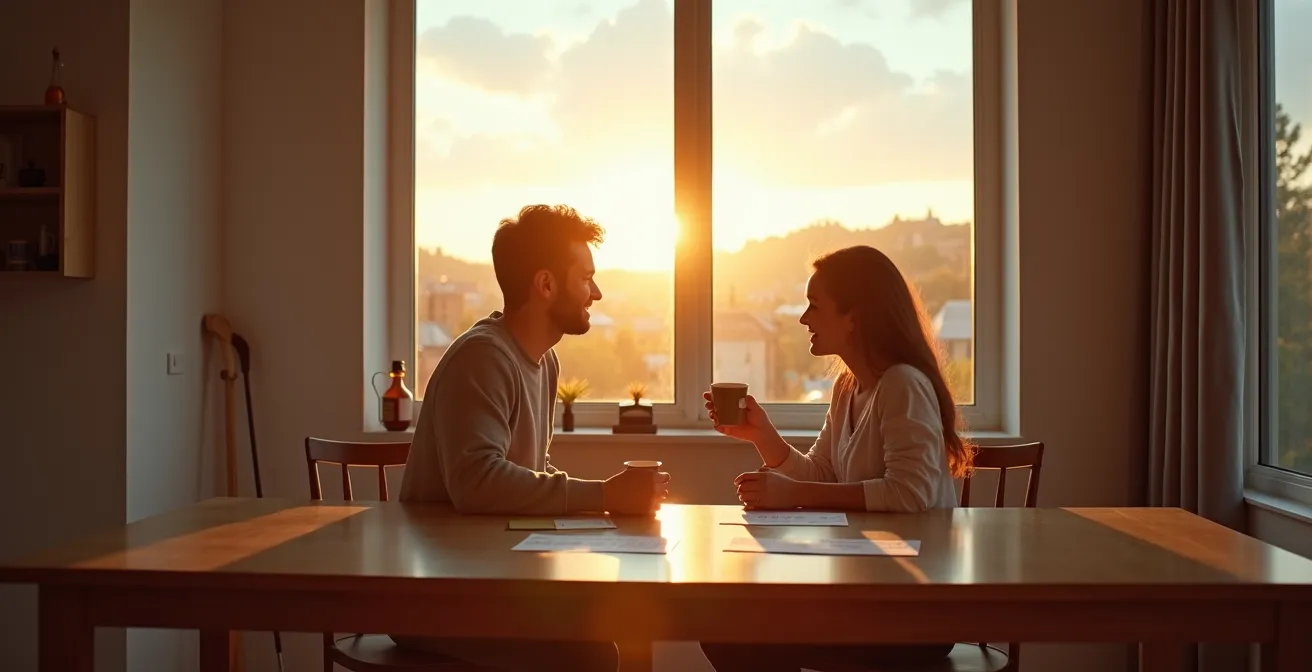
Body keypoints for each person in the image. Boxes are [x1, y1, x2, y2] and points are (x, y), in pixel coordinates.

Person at [392, 204, 670, 672]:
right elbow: (478, 482)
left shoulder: (543, 362)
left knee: (619, 628)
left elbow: (527, 474)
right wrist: (602, 494)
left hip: (493, 580)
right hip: (442, 601)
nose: (596, 292)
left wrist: (608, 498)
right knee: (593, 654)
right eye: (585, 278)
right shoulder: (483, 359)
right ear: (545, 284)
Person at [699, 244, 974, 671]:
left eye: (815, 306)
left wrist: (793, 495)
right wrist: (762, 436)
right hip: (866, 591)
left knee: (732, 630)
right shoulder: (848, 387)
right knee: (724, 624)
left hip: (913, 609)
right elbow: (823, 472)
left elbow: (910, 493)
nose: (804, 319)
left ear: (854, 317)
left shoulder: (903, 384)